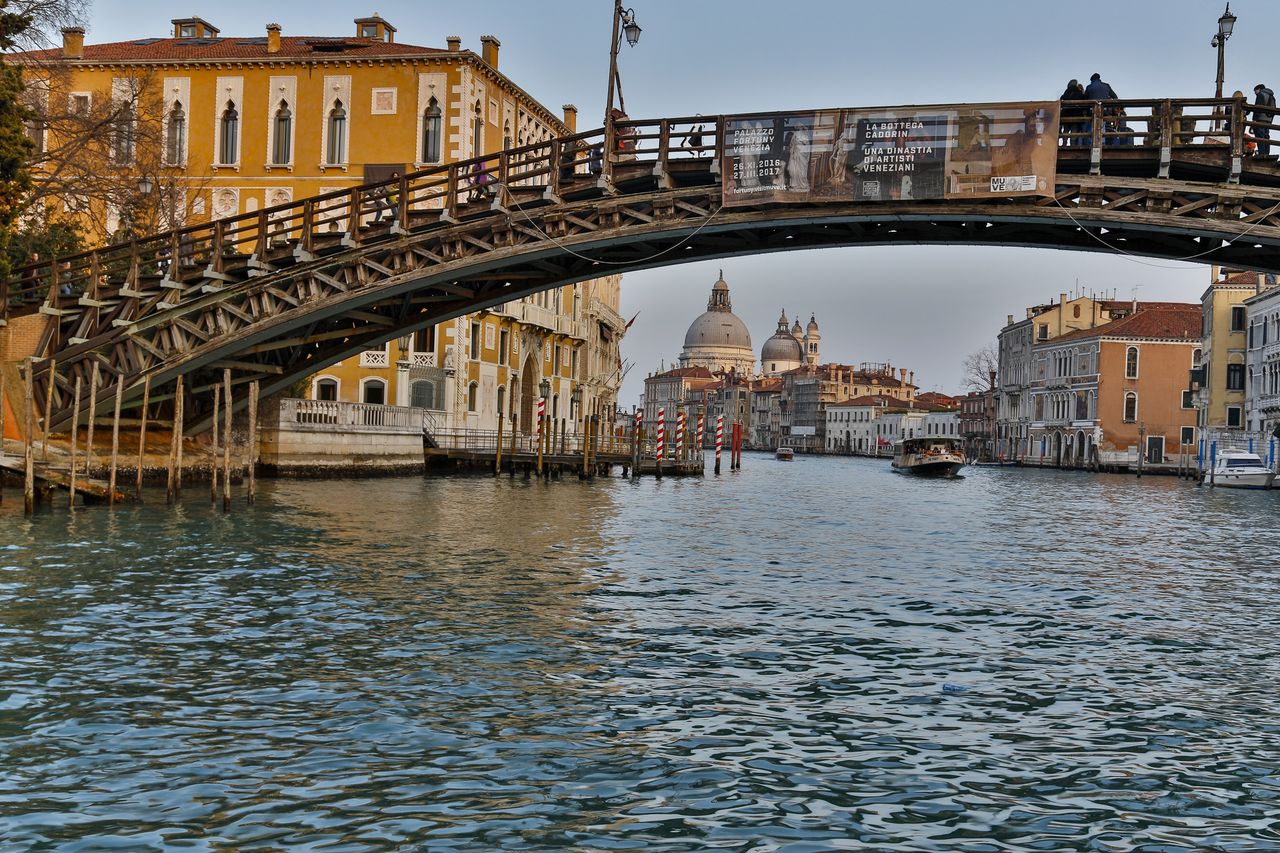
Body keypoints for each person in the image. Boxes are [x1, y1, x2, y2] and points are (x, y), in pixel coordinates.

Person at [1059, 79, 1088, 146]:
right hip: (1075, 114)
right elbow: (1083, 100)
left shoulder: (1066, 92)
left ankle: (1064, 144)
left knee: (1066, 131)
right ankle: (1072, 144)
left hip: (1066, 115)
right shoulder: (1079, 92)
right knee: (1073, 132)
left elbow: (1062, 98)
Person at [1254, 83, 1275, 156]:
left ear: (1259, 89)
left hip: (1260, 120)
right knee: (1266, 137)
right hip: (1268, 121)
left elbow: (1258, 108)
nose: (1255, 93)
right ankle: (1267, 153)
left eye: (1255, 91)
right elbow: (1274, 110)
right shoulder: (1272, 97)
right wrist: (1270, 121)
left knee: (1260, 137)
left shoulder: (1261, 95)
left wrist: (1254, 120)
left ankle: (1261, 153)